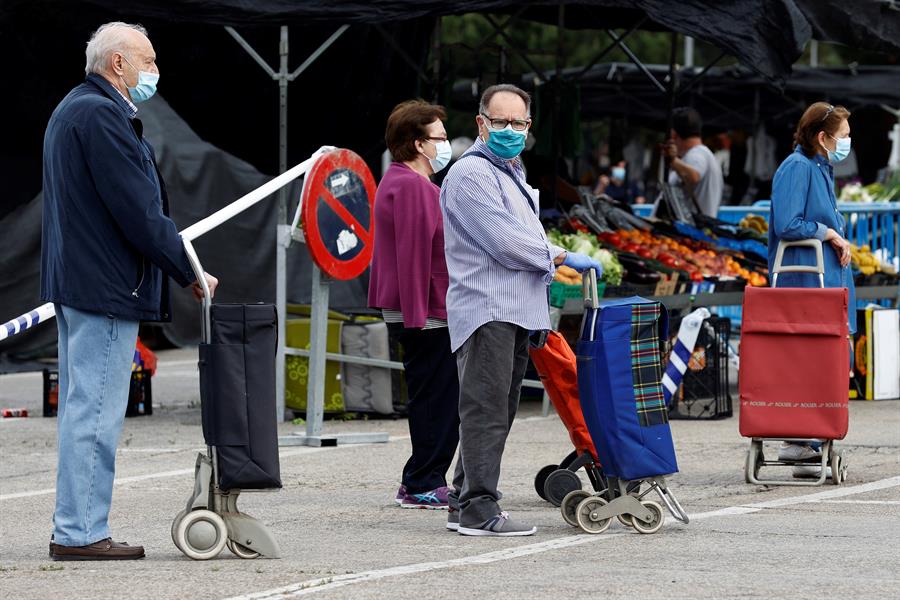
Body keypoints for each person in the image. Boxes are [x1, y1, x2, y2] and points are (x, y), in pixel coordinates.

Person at [41, 22, 217, 560]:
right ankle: (80, 533)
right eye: (149, 59)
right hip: (107, 285)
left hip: (80, 282)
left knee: (80, 410)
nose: (155, 70)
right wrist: (187, 269)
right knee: (94, 414)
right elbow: (139, 211)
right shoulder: (101, 115)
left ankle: (75, 525)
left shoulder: (75, 108)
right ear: (118, 63)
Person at [440, 84, 602, 537]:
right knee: (486, 410)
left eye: (519, 123)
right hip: (488, 309)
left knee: (496, 409)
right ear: (481, 123)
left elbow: (520, 233)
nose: (511, 130)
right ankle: (478, 508)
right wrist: (561, 257)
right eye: (501, 121)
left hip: (514, 310)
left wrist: (551, 255)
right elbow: (507, 242)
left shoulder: (509, 170)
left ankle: (462, 500)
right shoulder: (470, 175)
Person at [368, 100, 459, 509]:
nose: (445, 145)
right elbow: (413, 254)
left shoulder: (412, 183)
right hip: (425, 312)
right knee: (437, 398)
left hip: (426, 309)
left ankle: (420, 477)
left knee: (436, 395)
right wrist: (419, 317)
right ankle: (424, 479)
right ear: (419, 143)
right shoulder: (410, 185)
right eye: (439, 137)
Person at [768, 102, 856, 471]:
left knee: (829, 361)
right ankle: (800, 441)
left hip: (825, 282)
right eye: (843, 136)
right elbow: (789, 223)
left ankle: (812, 438)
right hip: (805, 281)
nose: (847, 143)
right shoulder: (797, 168)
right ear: (822, 137)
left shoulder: (820, 167)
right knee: (809, 361)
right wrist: (828, 232)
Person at [663, 107, 724, 217]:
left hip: (691, 231)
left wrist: (673, 161)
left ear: (673, 134)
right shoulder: (699, 153)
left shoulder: (696, 154)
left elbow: (694, 176)